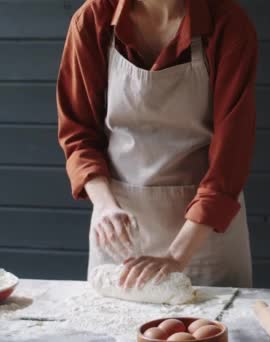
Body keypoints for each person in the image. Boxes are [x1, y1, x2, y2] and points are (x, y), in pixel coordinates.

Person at [56, 0, 257, 289]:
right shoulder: (94, 19)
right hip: (119, 227)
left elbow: (232, 153)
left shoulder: (227, 22)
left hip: (207, 234)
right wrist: (104, 206)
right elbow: (78, 133)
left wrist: (176, 256)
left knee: (206, 330)